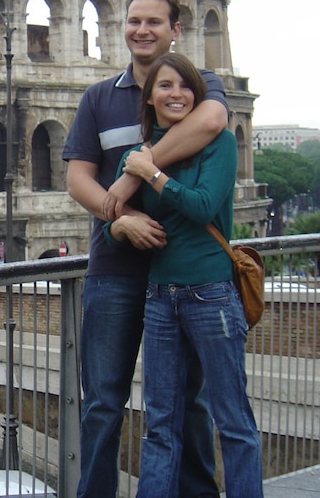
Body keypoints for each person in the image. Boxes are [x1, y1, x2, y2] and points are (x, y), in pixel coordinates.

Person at [62, 0, 228, 498]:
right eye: (134, 20)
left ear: (175, 29)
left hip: (181, 274)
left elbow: (215, 120)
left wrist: (133, 175)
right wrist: (123, 217)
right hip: (113, 268)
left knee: (188, 402)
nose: (141, 30)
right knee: (103, 402)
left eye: (154, 22)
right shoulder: (98, 97)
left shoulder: (198, 87)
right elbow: (77, 180)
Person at [105, 52, 263, 497]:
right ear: (149, 98)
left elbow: (201, 206)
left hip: (211, 295)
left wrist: (151, 175)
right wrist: (121, 224)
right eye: (165, 87)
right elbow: (111, 227)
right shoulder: (137, 158)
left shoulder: (217, 145)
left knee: (232, 421)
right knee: (160, 425)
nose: (177, 94)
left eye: (185, 86)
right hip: (159, 299)